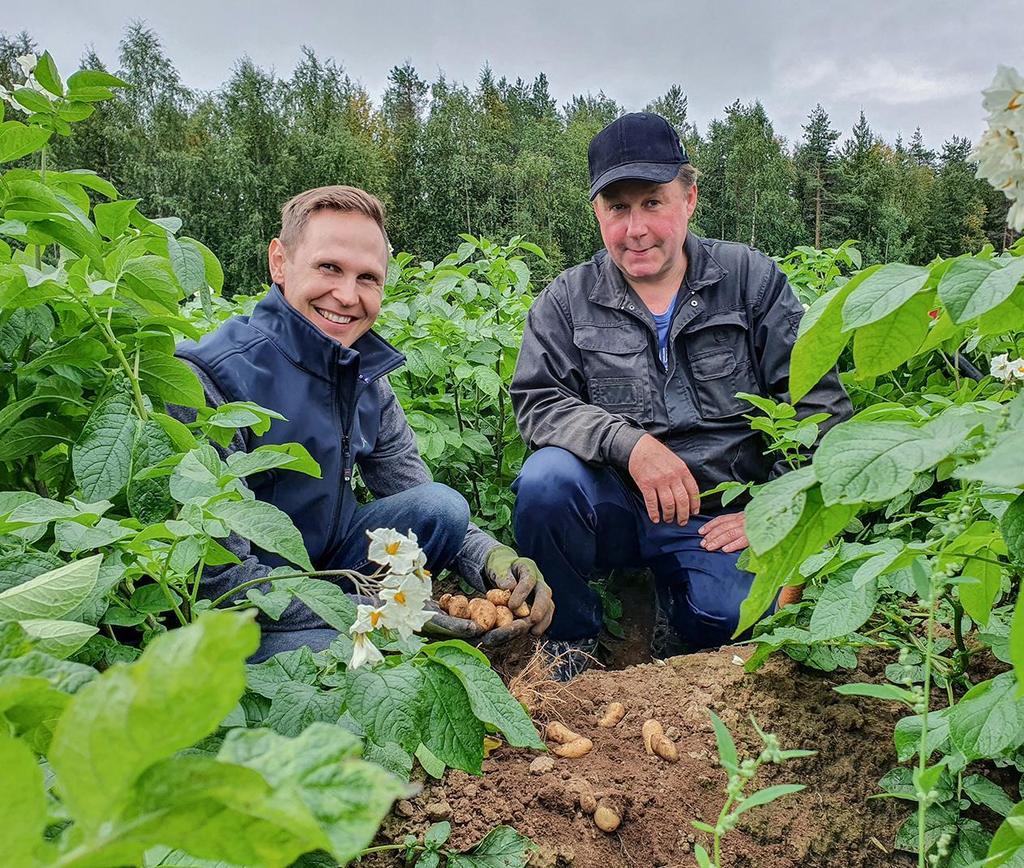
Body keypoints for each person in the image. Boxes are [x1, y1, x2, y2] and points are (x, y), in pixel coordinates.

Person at [509, 113, 851, 680]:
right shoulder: (567, 300)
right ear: (598, 213)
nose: (635, 228)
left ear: (689, 199)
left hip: (718, 514)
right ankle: (571, 637)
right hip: (615, 504)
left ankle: (679, 621)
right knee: (546, 483)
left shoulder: (751, 281)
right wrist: (630, 445)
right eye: (618, 208)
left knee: (739, 616)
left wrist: (775, 510)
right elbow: (539, 401)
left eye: (652, 202)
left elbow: (822, 411)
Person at [174, 185, 553, 662]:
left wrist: (492, 560)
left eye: (368, 278)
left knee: (444, 507)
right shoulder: (210, 378)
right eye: (329, 267)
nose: (347, 295)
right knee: (370, 655)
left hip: (329, 568)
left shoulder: (363, 377)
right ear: (279, 261)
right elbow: (216, 586)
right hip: (242, 605)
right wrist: (382, 611)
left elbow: (415, 492)